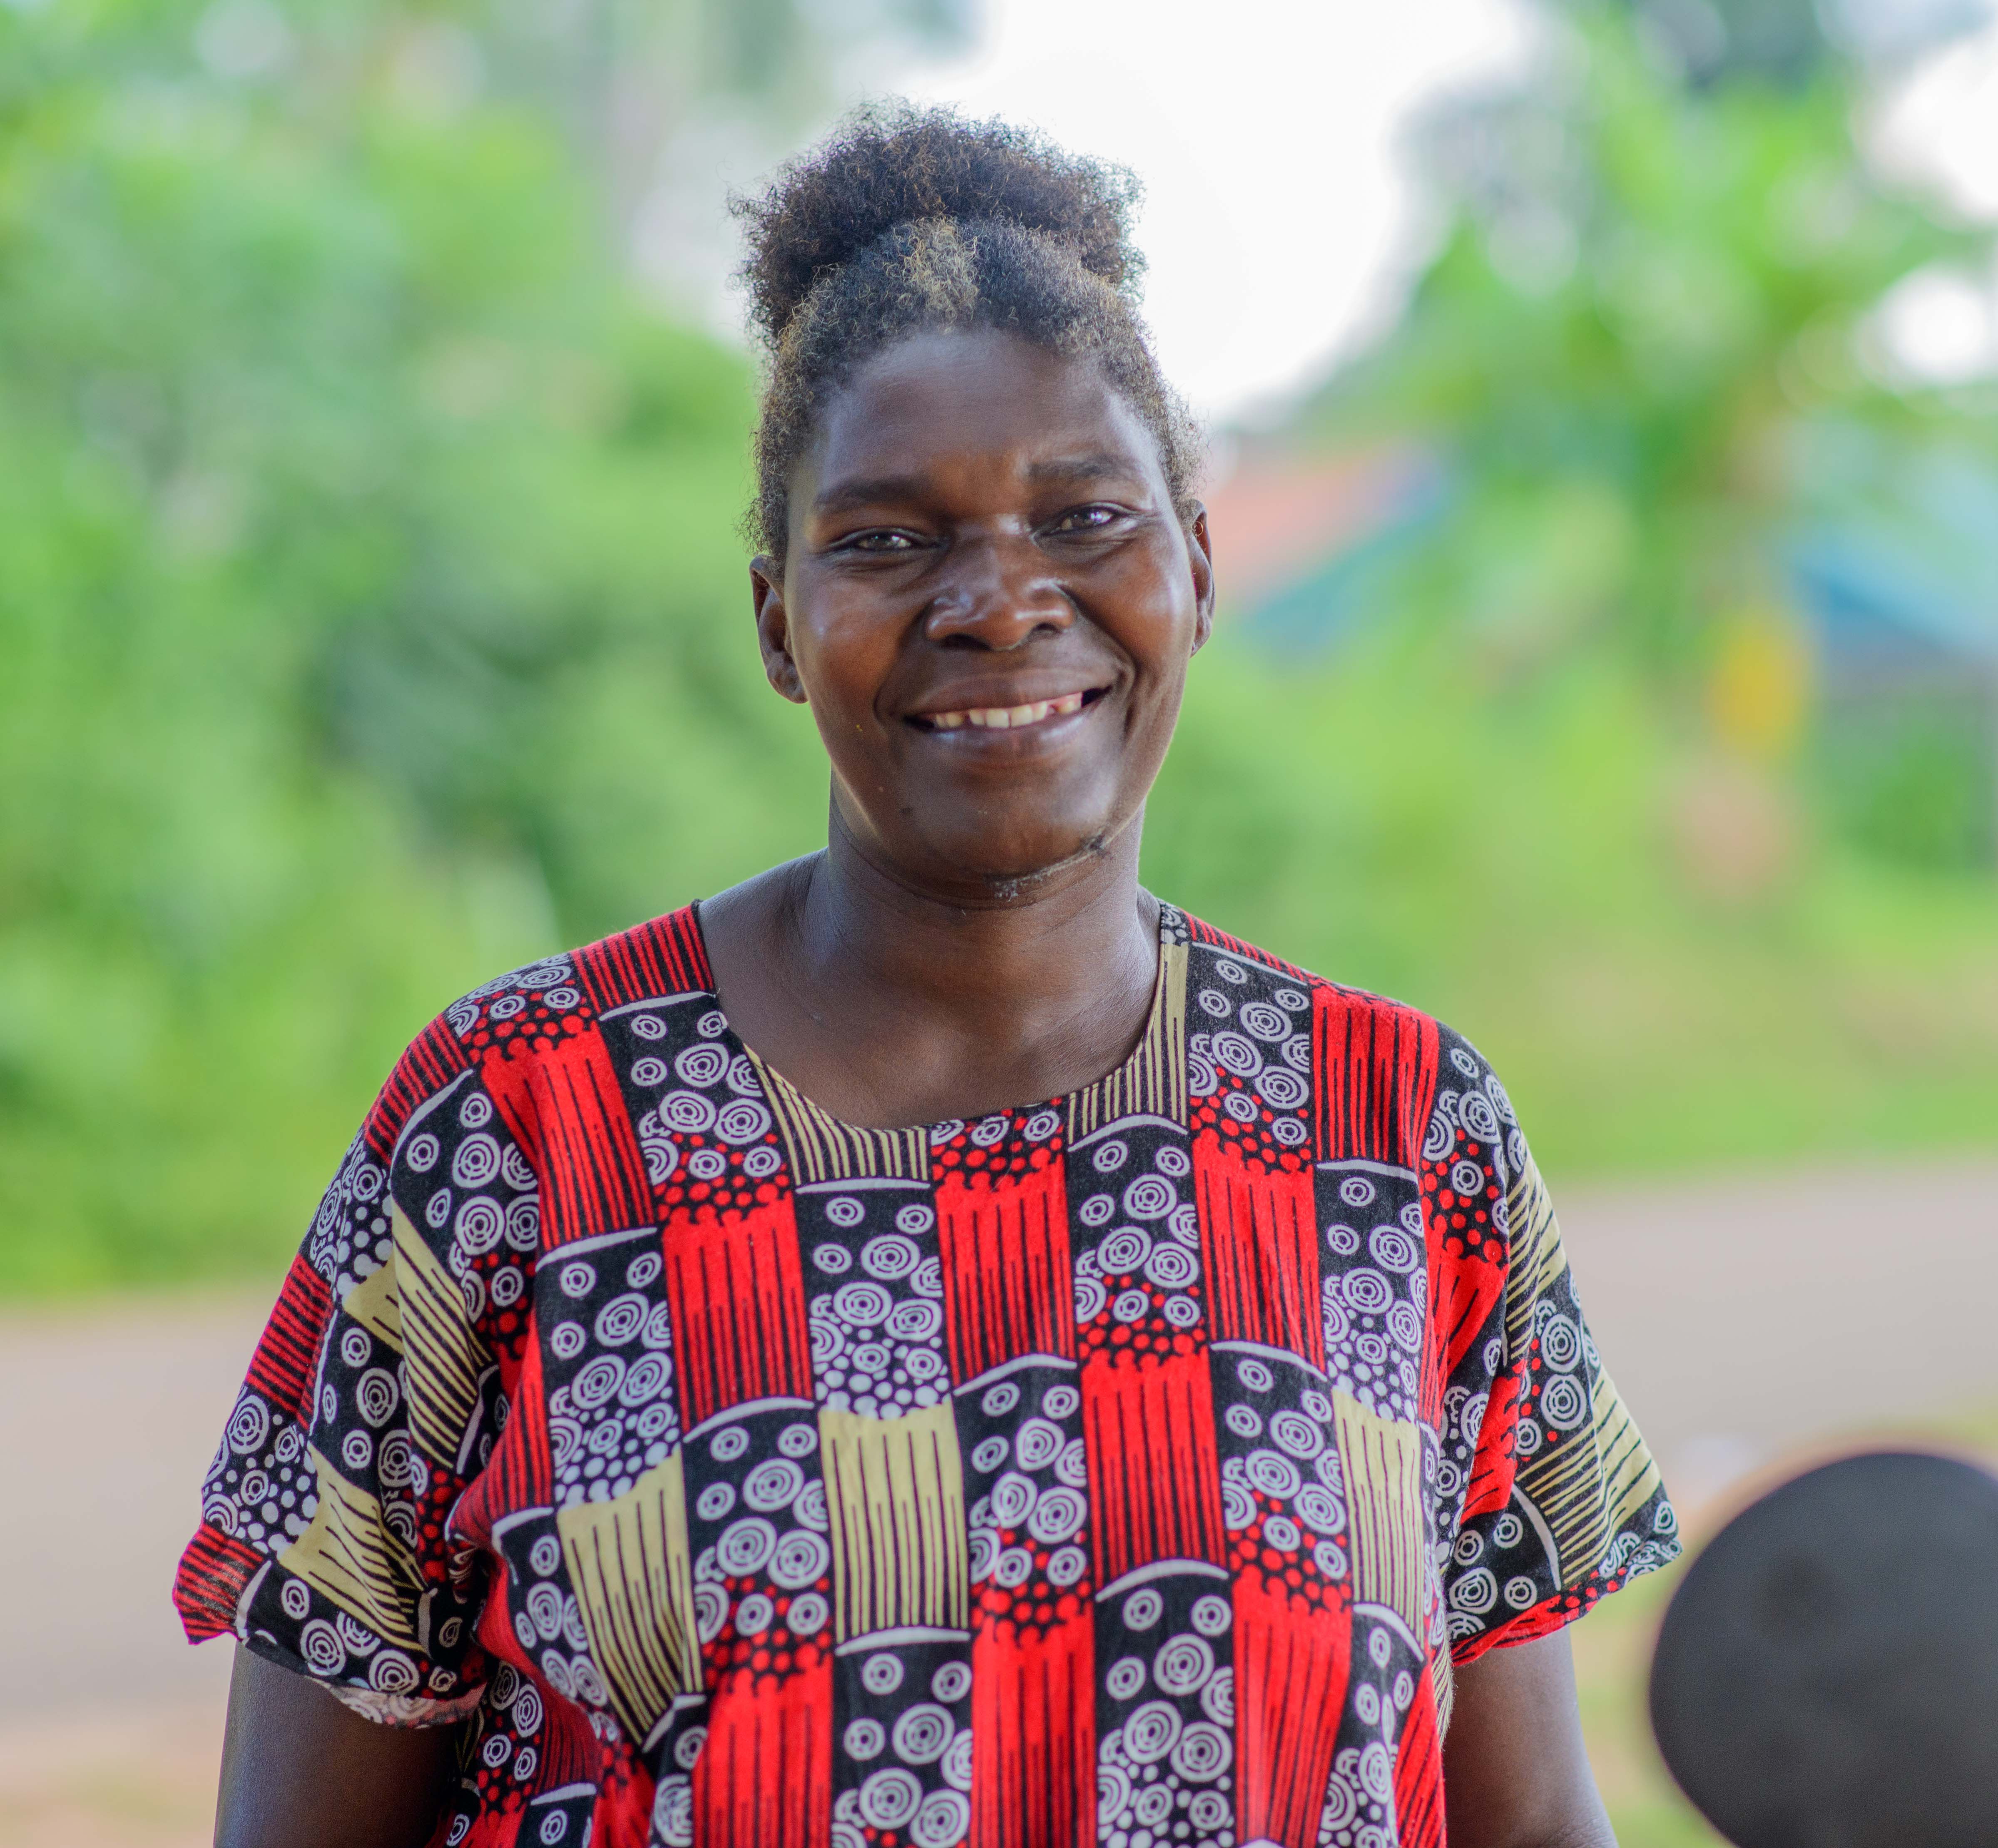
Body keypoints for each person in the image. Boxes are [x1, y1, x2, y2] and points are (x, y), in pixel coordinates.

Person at [177, 107, 1680, 1848]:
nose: (996, 598)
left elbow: (1525, 1819)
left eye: (1083, 515)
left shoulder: (1396, 1134)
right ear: (773, 618)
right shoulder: (514, 1127)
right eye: (889, 540)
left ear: (1193, 568)